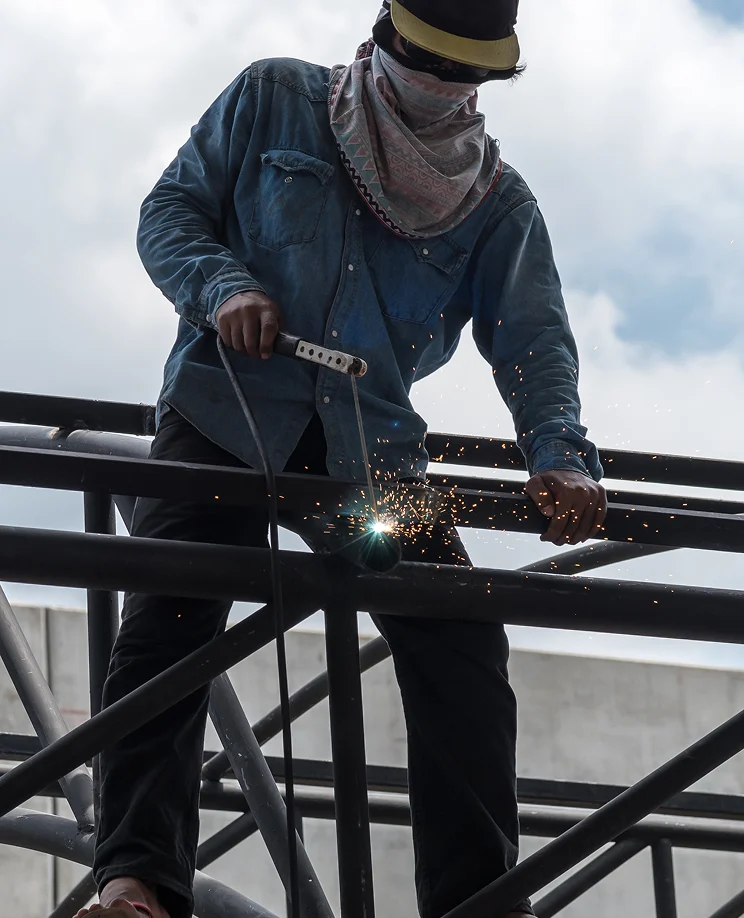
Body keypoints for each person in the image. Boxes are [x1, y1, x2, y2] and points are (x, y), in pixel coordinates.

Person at [76, 1, 607, 917]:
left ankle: (477, 904)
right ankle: (137, 884)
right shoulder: (273, 98)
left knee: (460, 638)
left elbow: (534, 344)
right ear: (384, 37)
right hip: (223, 420)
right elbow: (170, 213)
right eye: (430, 65)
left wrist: (559, 455)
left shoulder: (497, 203)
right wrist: (222, 286)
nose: (440, 86)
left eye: (463, 76)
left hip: (374, 460)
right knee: (168, 617)